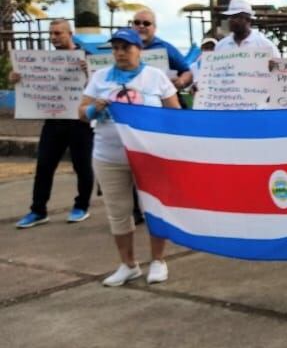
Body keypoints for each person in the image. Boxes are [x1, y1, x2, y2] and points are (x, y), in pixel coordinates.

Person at [79, 29, 181, 287]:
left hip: (148, 156)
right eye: (116, 48)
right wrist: (95, 108)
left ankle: (158, 260)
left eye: (126, 48)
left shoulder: (155, 77)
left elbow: (175, 115)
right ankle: (128, 264)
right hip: (108, 156)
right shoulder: (100, 77)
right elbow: (82, 112)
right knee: (118, 212)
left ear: (139, 50)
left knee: (154, 210)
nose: (120, 53)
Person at [13, 19, 94, 228]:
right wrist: (15, 77)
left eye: (58, 33)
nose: (54, 37)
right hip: (53, 120)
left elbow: (99, 85)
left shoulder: (86, 57)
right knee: (44, 166)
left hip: (79, 121)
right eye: (51, 34)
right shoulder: (43, 60)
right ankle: (38, 210)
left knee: (82, 166)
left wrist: (88, 71)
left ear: (70, 34)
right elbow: (29, 81)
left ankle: (81, 206)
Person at [132, 8, 192, 91]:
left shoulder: (165, 47)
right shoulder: (122, 47)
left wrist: (181, 82)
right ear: (132, 25)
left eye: (146, 23)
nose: (141, 26)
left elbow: (187, 72)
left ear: (154, 27)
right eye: (137, 23)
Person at [213, 0, 278, 52]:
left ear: (248, 19)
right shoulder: (220, 46)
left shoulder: (265, 45)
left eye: (236, 17)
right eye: (230, 17)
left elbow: (278, 65)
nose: (231, 20)